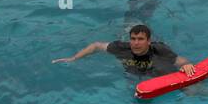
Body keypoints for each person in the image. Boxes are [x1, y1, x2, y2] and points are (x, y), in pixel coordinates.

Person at [53, 23, 196, 76]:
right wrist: (74, 58)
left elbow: (180, 60)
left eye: (140, 39)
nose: (136, 43)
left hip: (153, 65)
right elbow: (96, 45)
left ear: (148, 41)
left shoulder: (159, 49)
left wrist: (186, 65)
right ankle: (130, 25)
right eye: (133, 39)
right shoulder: (121, 48)